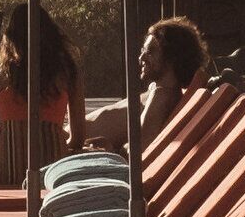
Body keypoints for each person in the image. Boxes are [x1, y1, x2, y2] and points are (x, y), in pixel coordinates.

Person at [0, 0, 81, 185]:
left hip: (7, 173)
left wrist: (5, 146)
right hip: (53, 176)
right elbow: (78, 139)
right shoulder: (68, 70)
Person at [86, 15, 207, 154]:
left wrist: (110, 150)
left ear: (172, 57)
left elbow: (138, 150)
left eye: (150, 51)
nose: (141, 57)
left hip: (80, 147)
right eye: (143, 51)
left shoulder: (162, 97)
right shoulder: (157, 89)